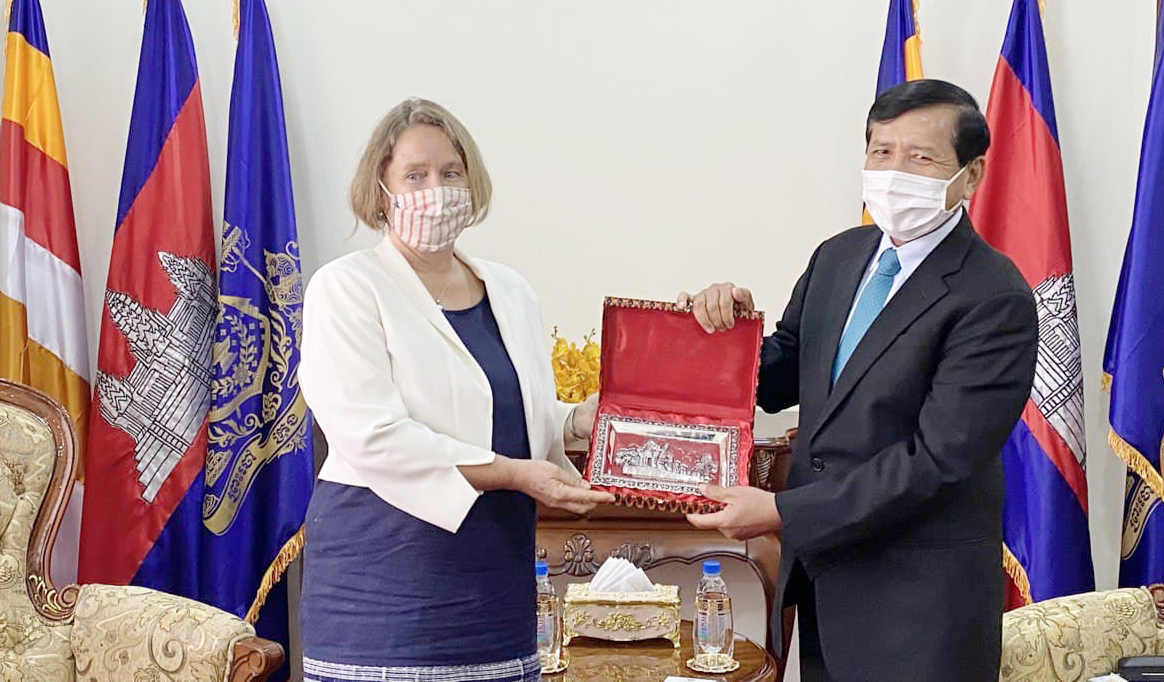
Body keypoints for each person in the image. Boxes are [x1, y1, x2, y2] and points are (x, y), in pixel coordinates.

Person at [679, 79, 1039, 681]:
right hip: (825, 585)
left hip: (921, 609)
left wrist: (783, 511)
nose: (895, 172)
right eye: (882, 152)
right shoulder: (839, 257)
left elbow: (937, 461)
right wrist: (727, 334)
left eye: (921, 158)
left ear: (971, 175)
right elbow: (779, 378)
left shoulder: (994, 295)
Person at [297, 98, 612, 682]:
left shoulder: (510, 290)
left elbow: (496, 410)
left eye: (451, 172)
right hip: (383, 594)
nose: (436, 191)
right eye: (415, 175)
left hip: (496, 590)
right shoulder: (345, 288)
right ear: (382, 191)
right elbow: (372, 435)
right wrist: (513, 474)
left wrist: (576, 421)